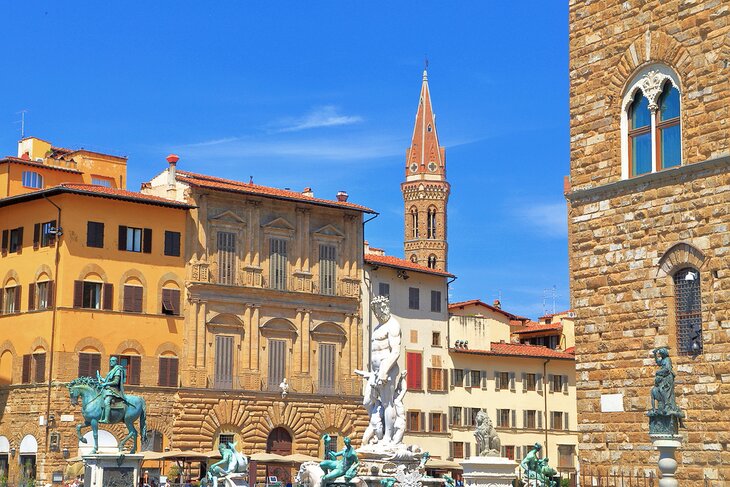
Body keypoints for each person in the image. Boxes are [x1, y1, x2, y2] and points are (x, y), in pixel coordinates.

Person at [358, 296, 402, 446]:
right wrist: (372, 373)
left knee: (387, 403)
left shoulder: (393, 325)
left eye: (384, 307)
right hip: (375, 371)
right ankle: (377, 427)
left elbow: (396, 351)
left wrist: (384, 370)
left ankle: (387, 438)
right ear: (375, 311)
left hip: (388, 369)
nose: (383, 311)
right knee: (367, 401)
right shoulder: (377, 328)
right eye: (379, 308)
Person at [96, 356, 127, 423]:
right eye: (110, 361)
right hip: (108, 390)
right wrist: (101, 379)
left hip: (113, 390)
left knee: (107, 401)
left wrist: (105, 384)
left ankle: (106, 419)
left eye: (112, 361)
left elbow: (115, 382)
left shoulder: (117, 370)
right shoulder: (112, 371)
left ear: (116, 362)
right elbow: (107, 380)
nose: (111, 362)